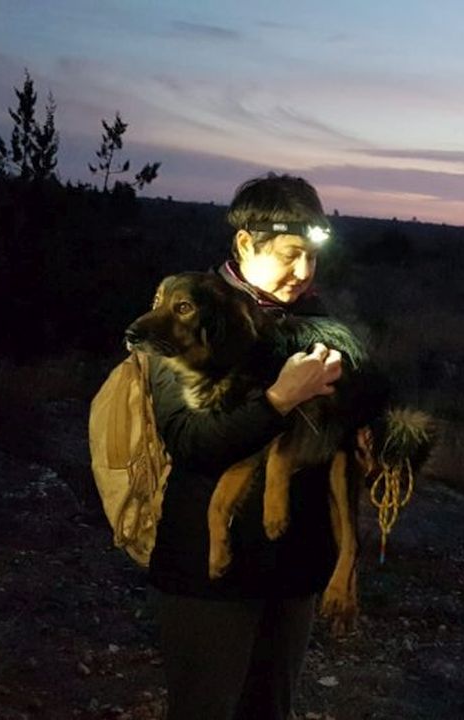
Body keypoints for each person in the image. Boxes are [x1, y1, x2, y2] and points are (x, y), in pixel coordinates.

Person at [146, 173, 344, 720]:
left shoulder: (315, 319)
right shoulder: (185, 315)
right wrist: (280, 399)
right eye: (290, 255)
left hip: (294, 566)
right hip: (210, 571)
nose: (303, 272)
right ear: (244, 244)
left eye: (312, 257)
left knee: (271, 710)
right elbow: (190, 442)